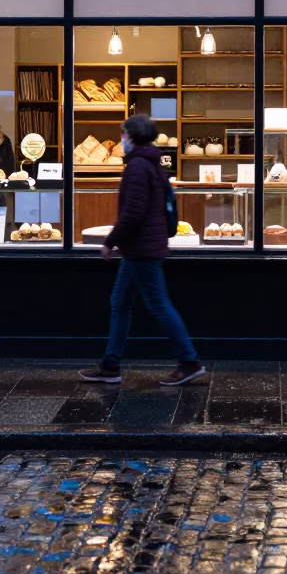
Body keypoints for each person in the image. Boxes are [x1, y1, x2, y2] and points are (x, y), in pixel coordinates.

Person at [80, 114, 205, 387]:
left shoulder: (137, 166)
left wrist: (109, 241)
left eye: (123, 135)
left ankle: (189, 361)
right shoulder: (153, 163)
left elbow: (132, 212)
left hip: (142, 249)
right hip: (142, 247)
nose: (121, 140)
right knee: (120, 302)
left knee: (158, 304)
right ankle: (111, 365)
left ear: (132, 136)